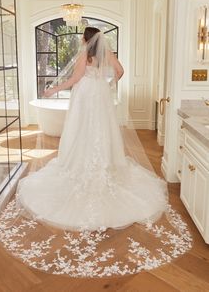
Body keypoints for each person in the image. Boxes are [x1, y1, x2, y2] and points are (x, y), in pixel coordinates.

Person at [16, 26, 168, 231]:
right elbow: (120, 71)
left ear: (87, 39)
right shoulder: (107, 53)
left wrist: (53, 89)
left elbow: (74, 80)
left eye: (82, 36)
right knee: (102, 129)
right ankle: (106, 163)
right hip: (101, 93)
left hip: (86, 95)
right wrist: (109, 84)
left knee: (82, 129)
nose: (80, 39)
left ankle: (80, 163)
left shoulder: (85, 55)